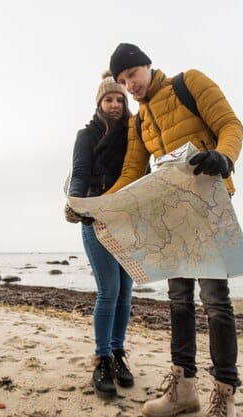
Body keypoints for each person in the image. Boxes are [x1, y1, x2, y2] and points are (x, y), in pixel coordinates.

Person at [107, 43, 243, 417]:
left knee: (215, 300)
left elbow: (231, 125)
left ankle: (224, 393)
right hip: (172, 214)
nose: (129, 85)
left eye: (132, 74)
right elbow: (133, 172)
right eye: (121, 80)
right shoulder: (138, 121)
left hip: (210, 203)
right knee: (178, 299)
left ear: (147, 66)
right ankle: (183, 389)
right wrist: (98, 206)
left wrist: (225, 158)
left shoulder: (189, 83)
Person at [64, 71, 135, 399]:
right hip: (97, 219)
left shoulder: (134, 132)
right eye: (109, 99)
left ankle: (119, 354)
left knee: (125, 291)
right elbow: (79, 173)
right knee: (109, 290)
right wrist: (76, 204)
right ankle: (102, 358)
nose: (115, 104)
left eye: (120, 99)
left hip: (130, 220)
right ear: (99, 102)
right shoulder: (87, 134)